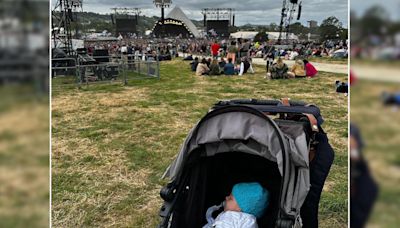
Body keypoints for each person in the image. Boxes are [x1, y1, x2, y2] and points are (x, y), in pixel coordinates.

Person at [203, 182, 269, 228]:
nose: (226, 197)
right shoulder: (250, 221)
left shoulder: (231, 216)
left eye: (230, 198)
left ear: (240, 208)